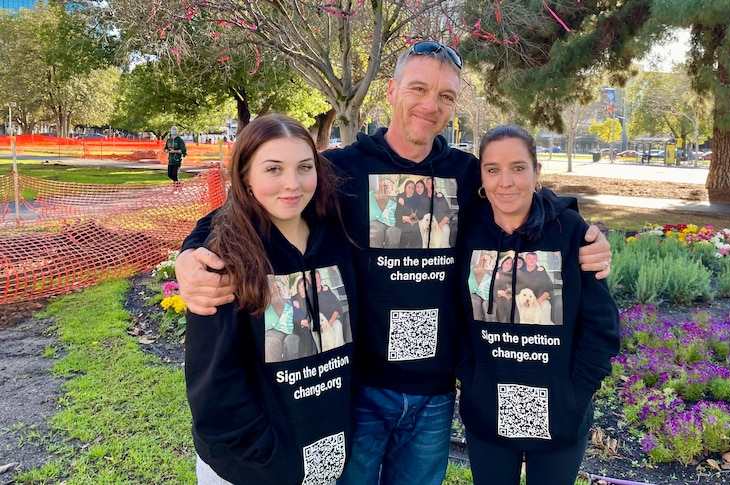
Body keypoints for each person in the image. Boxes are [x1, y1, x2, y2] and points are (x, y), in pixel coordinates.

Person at [175, 41, 612, 485]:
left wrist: (581, 230)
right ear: (391, 90)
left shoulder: (464, 173)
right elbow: (249, 207)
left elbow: (522, 194)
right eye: (418, 88)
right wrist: (190, 253)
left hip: (434, 396)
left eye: (445, 96)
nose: (430, 105)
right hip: (360, 393)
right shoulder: (342, 170)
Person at [184, 114, 358, 485]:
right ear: (245, 176)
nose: (292, 184)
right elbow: (214, 383)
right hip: (252, 466)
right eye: (273, 169)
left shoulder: (337, 237)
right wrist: (262, 456)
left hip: (328, 453)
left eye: (304, 167)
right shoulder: (222, 256)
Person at [456, 125, 620, 485]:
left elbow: (601, 325)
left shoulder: (571, 231)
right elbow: (455, 314)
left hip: (560, 410)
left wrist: (576, 392)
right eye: (493, 169)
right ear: (481, 177)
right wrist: (471, 375)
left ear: (537, 173)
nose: (506, 182)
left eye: (518, 167)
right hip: (488, 408)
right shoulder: (466, 233)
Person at [164, 126, 187, 190]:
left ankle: (176, 187)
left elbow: (183, 150)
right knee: (170, 174)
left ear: (177, 131)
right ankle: (179, 183)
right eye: (172, 130)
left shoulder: (180, 140)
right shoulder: (169, 140)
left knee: (175, 174)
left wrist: (174, 151)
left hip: (177, 160)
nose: (173, 131)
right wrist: (166, 150)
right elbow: (165, 148)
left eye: (174, 130)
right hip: (170, 160)